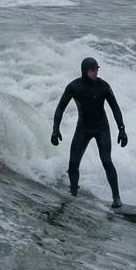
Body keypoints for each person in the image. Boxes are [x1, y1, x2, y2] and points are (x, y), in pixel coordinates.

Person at [51, 56, 128, 207]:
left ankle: (117, 198)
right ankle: (73, 193)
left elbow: (115, 108)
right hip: (83, 129)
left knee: (107, 161)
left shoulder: (104, 86)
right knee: (73, 163)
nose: (96, 73)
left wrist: (122, 130)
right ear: (85, 71)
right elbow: (61, 107)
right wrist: (55, 129)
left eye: (97, 69)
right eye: (93, 70)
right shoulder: (74, 87)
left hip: (101, 128)